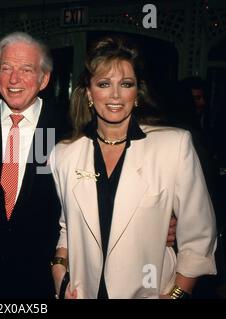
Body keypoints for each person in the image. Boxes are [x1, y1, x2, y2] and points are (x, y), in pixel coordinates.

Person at [50, 36, 217, 299]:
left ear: (136, 94)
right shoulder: (65, 154)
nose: (115, 95)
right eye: (104, 84)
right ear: (89, 93)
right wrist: (59, 273)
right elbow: (67, 228)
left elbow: (199, 234)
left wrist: (177, 295)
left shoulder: (173, 146)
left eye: (125, 84)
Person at [0, 31, 70, 298]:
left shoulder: (69, 126)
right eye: (6, 68)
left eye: (26, 69)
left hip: (40, 275)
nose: (14, 79)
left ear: (44, 79)